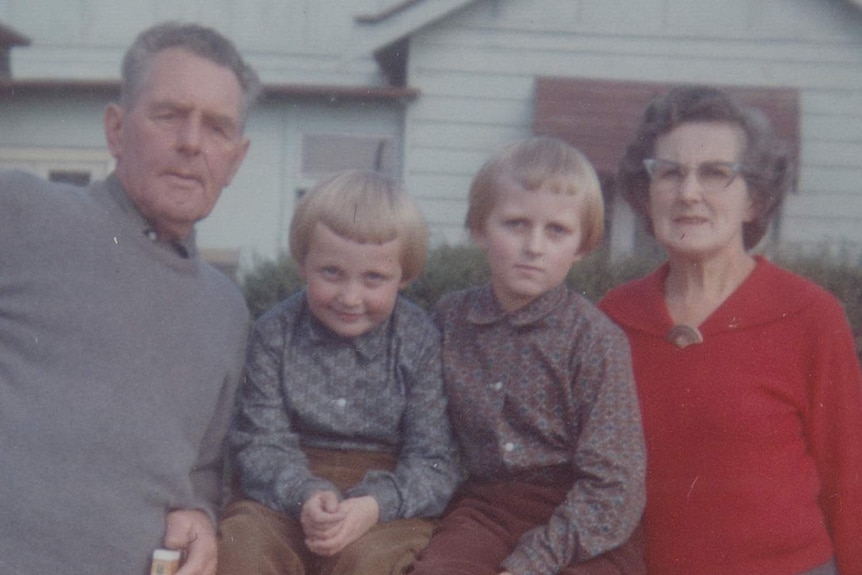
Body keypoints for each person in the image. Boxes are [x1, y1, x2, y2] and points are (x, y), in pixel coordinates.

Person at [0, 22, 259, 575]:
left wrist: (198, 513)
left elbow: (204, 468)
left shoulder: (225, 310)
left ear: (235, 160)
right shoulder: (21, 212)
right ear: (116, 130)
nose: (192, 142)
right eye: (169, 115)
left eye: (217, 128)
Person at [599, 85, 862, 575]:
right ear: (646, 191)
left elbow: (849, 481)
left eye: (716, 173)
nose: (688, 193)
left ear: (754, 199)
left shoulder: (811, 316)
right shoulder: (611, 318)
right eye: (670, 172)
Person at [408, 137, 646, 575]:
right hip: (485, 508)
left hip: (583, 519)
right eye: (516, 224)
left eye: (556, 231)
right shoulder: (448, 321)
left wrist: (536, 559)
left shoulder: (595, 340)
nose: (534, 246)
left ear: (582, 246)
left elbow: (616, 486)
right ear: (480, 228)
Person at [217, 169, 461, 575]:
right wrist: (305, 493)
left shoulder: (419, 341)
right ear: (303, 264)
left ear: (406, 275)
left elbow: (433, 462)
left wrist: (373, 505)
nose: (350, 297)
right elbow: (259, 442)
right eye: (331, 273)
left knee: (369, 563)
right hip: (285, 494)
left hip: (386, 506)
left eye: (373, 278)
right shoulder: (274, 333)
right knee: (242, 548)